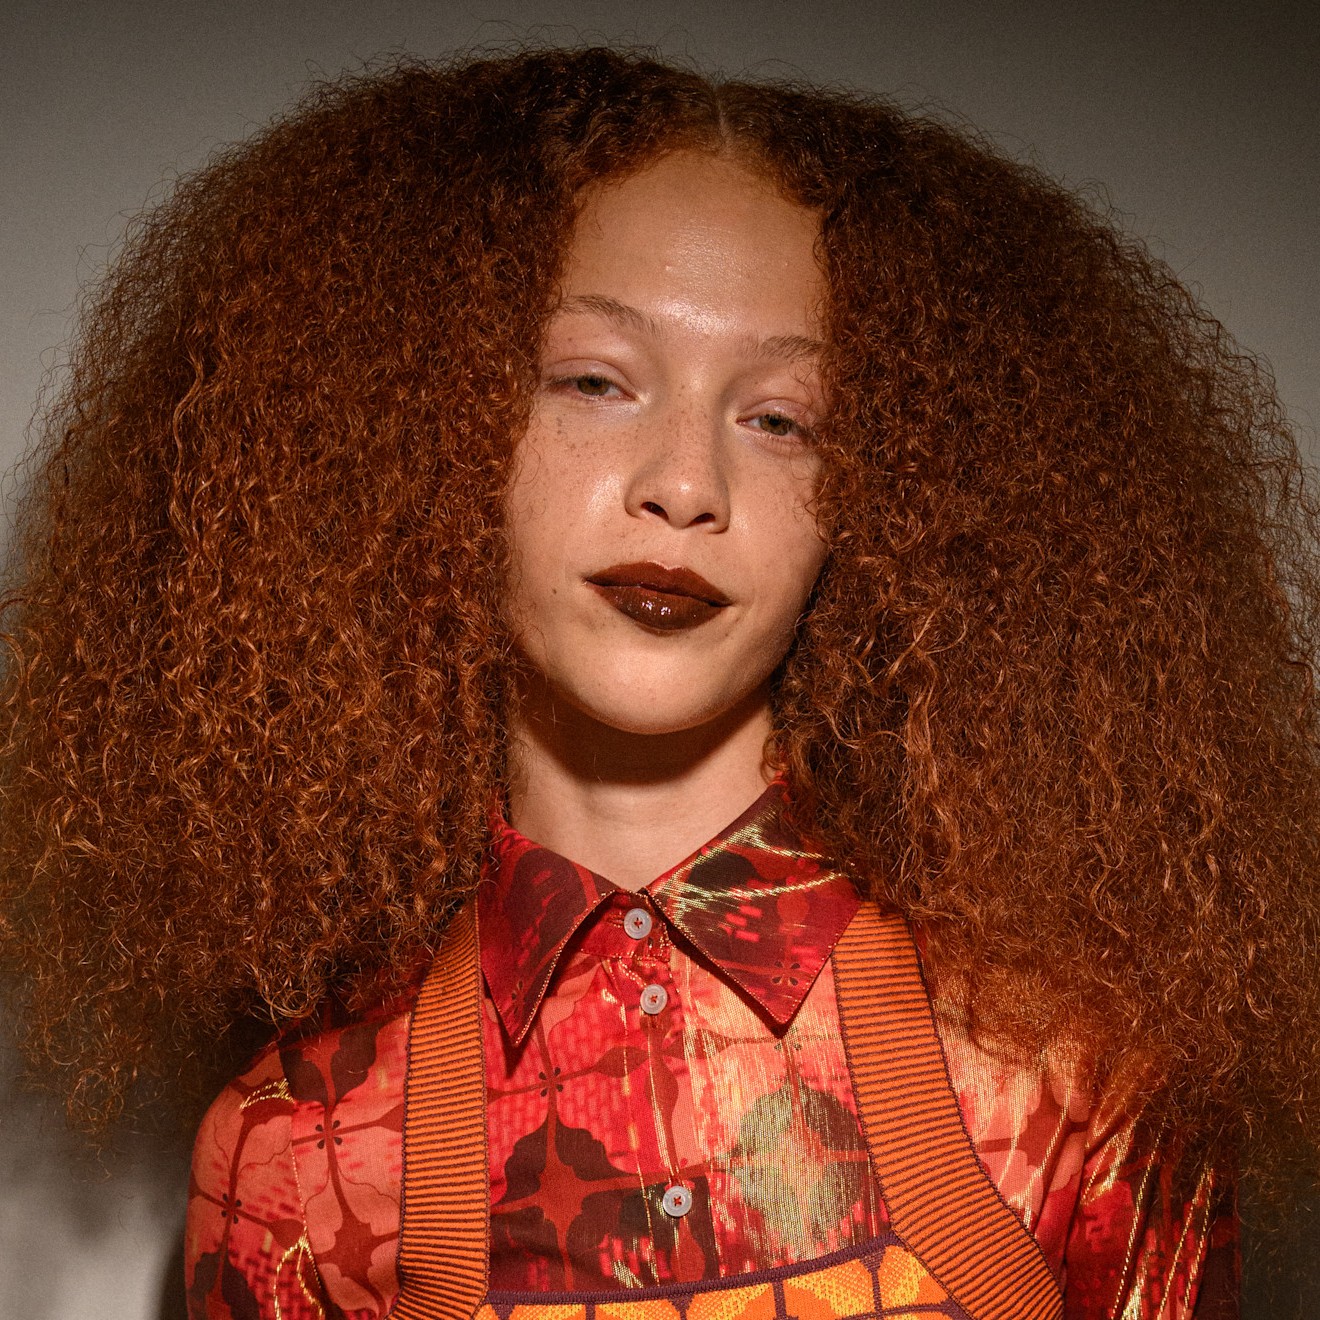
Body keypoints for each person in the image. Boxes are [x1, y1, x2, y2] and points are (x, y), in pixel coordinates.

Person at [2, 46, 1316, 1319]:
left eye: (781, 417)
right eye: (593, 380)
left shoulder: (1079, 1072)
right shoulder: (299, 1152)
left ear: (887, 491)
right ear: (429, 429)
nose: (685, 485)